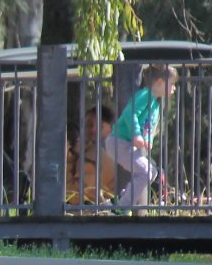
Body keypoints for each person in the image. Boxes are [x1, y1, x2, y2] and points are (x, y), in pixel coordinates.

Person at [103, 65, 178, 209]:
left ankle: (122, 202)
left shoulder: (155, 104)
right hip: (119, 141)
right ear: (160, 82)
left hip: (126, 144)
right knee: (146, 172)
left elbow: (148, 127)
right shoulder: (146, 95)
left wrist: (147, 141)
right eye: (172, 84)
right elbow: (129, 114)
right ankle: (121, 206)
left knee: (152, 172)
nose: (173, 89)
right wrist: (136, 134)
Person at [66, 101, 117, 205]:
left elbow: (73, 195)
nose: (93, 129)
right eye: (89, 125)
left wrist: (68, 159)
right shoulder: (89, 151)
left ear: (109, 130)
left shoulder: (94, 157)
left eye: (100, 126)